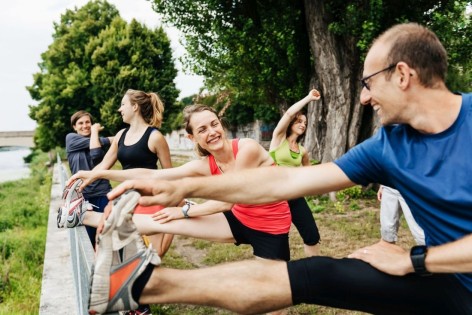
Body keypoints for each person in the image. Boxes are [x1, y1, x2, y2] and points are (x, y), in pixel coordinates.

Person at [87, 23, 472, 314]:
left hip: (440, 271)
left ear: (403, 75)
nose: (363, 96)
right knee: (317, 274)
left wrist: (412, 260)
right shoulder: (390, 145)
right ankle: (140, 286)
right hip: (450, 281)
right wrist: (186, 190)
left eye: (368, 83)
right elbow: (286, 180)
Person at [69, 104, 292, 263]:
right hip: (239, 220)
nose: (212, 132)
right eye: (202, 130)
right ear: (193, 138)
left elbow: (228, 201)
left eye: (214, 124)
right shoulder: (207, 163)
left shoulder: (247, 148)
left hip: (269, 228)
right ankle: (85, 215)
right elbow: (154, 175)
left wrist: (184, 211)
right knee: (158, 221)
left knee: (271, 303)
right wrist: (97, 174)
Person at [269, 88, 321, 256]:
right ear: (291, 123)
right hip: (274, 196)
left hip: (295, 195)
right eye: (299, 121)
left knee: (312, 234)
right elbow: (289, 113)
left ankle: (315, 271)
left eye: (305, 123)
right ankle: (281, 275)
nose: (303, 125)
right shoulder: (278, 139)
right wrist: (308, 98)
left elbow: (310, 174)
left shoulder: (302, 151)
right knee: (278, 242)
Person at [65, 110, 113, 248]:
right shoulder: (71, 138)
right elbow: (100, 144)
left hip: (102, 193)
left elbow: (96, 153)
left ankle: (107, 267)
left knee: (105, 234)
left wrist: (96, 133)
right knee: (88, 237)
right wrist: (109, 138)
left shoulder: (97, 142)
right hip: (82, 196)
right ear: (74, 127)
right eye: (80, 123)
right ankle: (92, 268)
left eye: (88, 122)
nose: (85, 125)